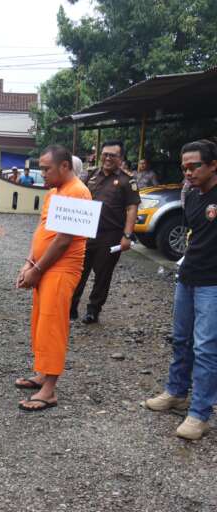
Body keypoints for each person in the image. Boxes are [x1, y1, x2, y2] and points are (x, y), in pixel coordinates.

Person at [143, 139, 217, 440]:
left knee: (206, 349)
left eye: (194, 166)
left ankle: (199, 414)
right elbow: (194, 235)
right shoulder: (193, 195)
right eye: (184, 167)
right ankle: (176, 392)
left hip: (212, 283)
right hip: (188, 277)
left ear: (213, 165)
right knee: (181, 340)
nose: (188, 172)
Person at [15, 145, 91, 412]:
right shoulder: (53, 192)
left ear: (65, 166)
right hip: (44, 267)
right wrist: (29, 262)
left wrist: (36, 270)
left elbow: (63, 240)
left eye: (47, 169)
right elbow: (42, 230)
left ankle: (49, 391)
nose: (43, 173)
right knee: (41, 322)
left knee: (53, 325)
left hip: (62, 269)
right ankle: (42, 374)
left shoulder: (78, 192)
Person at [70, 140, 141, 324]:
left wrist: (127, 235)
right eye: (105, 154)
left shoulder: (127, 180)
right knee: (78, 270)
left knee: (103, 274)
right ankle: (71, 306)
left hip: (110, 235)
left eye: (113, 155)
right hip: (85, 232)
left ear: (121, 158)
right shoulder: (91, 174)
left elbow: (132, 209)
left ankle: (93, 310)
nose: (108, 158)